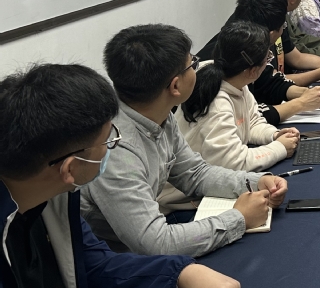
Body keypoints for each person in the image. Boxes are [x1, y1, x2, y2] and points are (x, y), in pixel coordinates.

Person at [0, 63, 239, 288]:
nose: (113, 145)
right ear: (70, 169)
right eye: (108, 140)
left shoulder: (53, 197)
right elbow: (153, 242)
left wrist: (179, 272)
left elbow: (94, 263)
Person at [80, 24, 288, 258]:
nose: (197, 69)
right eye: (193, 64)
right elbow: (157, 244)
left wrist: (255, 182)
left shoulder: (157, 113)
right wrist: (239, 218)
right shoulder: (116, 149)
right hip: (116, 259)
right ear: (175, 86)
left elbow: (195, 174)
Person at [160, 22, 301, 212]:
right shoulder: (216, 101)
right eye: (267, 58)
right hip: (185, 203)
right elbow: (235, 163)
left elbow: (252, 121)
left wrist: (274, 135)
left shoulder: (236, 81)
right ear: (253, 70)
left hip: (211, 187)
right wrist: (280, 148)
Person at [196, 0, 320, 124]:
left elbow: (268, 82)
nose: (283, 31)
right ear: (271, 33)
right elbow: (244, 118)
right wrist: (301, 103)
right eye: (283, 27)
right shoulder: (220, 60)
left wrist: (306, 93)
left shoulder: (247, 45)